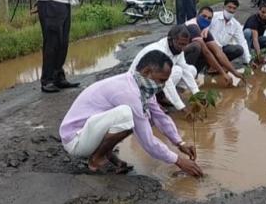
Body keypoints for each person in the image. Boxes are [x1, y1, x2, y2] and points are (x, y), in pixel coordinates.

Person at [59, 50, 204, 177]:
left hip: (89, 131)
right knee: (127, 115)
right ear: (147, 72)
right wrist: (179, 161)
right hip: (75, 141)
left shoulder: (140, 86)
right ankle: (95, 159)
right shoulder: (129, 93)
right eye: (162, 80)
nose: (163, 86)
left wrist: (180, 142)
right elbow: (147, 141)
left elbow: (160, 116)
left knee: (138, 117)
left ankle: (105, 154)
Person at [129, 25, 199, 113]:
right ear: (170, 41)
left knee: (191, 70)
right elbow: (167, 81)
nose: (183, 48)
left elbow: (185, 70)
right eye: (180, 44)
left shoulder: (177, 49)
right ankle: (152, 101)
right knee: (177, 71)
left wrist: (197, 93)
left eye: (185, 44)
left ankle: (163, 97)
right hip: (138, 85)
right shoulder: (159, 51)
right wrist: (181, 107)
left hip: (154, 80)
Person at [184, 6, 245, 85]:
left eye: (209, 18)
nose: (206, 19)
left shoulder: (204, 31)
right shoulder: (193, 26)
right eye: (204, 16)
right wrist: (223, 73)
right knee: (198, 47)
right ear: (197, 16)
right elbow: (206, 52)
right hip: (174, 57)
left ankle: (193, 75)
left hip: (184, 55)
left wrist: (234, 72)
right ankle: (185, 78)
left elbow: (218, 52)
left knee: (206, 50)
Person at [208, 0, 254, 67]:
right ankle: (212, 63)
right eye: (229, 7)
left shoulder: (236, 25)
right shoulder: (213, 17)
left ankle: (220, 63)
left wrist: (248, 60)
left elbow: (242, 42)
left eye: (234, 8)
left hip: (222, 49)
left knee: (239, 49)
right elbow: (204, 32)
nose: (231, 10)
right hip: (209, 47)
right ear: (224, 7)